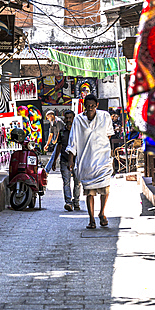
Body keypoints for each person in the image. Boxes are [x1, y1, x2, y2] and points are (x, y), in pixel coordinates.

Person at [67, 94, 114, 229]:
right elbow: (73, 141)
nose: (90, 108)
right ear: (84, 106)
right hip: (86, 162)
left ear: (97, 106)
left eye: (92, 106)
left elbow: (108, 135)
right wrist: (71, 159)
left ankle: (102, 213)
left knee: (105, 189)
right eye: (88, 106)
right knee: (89, 192)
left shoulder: (105, 116)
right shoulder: (78, 120)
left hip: (102, 160)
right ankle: (91, 219)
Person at [52, 109, 81, 212]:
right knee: (66, 182)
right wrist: (54, 160)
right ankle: (68, 202)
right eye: (67, 118)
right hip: (64, 160)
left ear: (74, 119)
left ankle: (76, 202)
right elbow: (59, 146)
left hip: (77, 161)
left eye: (70, 118)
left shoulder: (79, 131)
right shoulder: (62, 132)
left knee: (77, 183)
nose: (68, 120)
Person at [43, 108, 64, 174]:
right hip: (59, 141)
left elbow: (59, 132)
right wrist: (47, 144)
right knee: (58, 155)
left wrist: (56, 140)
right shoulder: (52, 122)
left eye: (48, 117)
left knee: (54, 155)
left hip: (64, 140)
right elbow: (51, 134)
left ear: (51, 116)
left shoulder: (58, 121)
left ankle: (46, 170)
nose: (47, 119)